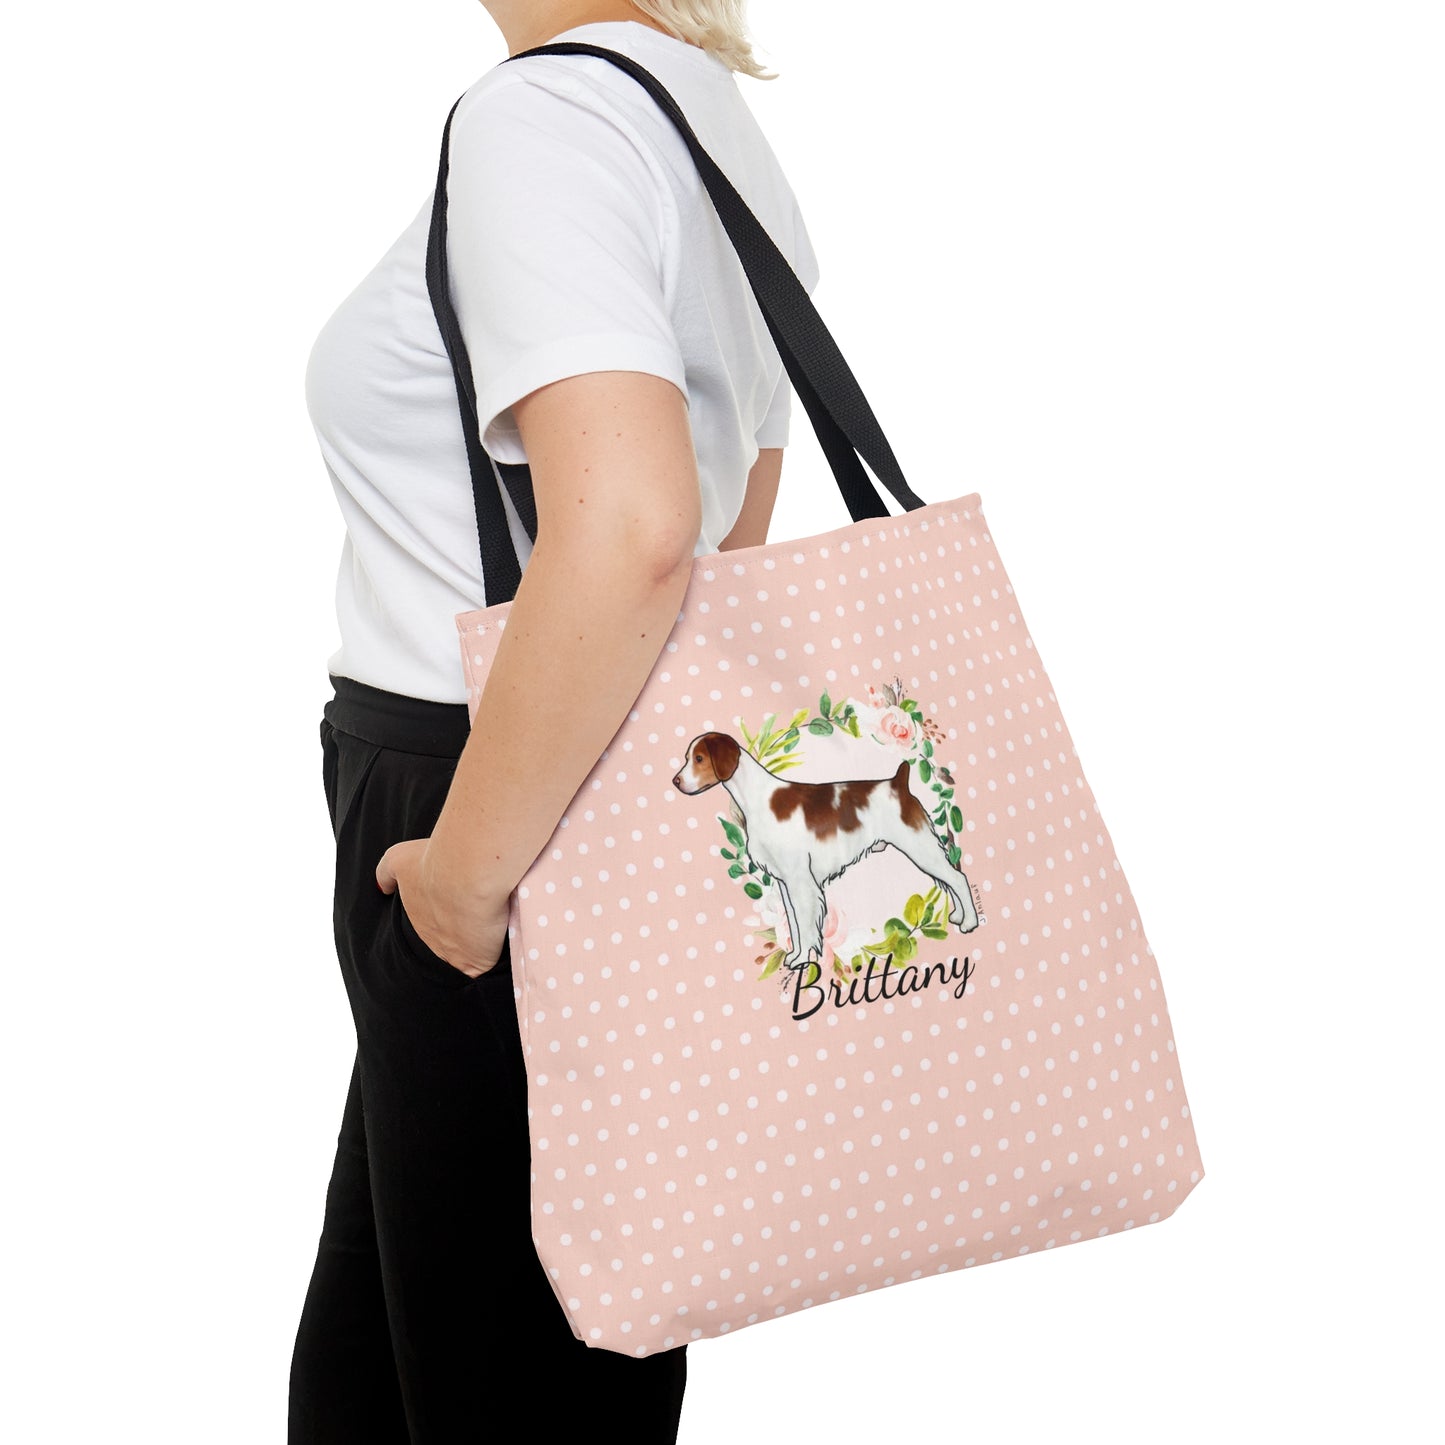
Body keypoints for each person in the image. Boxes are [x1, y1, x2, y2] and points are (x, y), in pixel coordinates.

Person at [287, 2, 821, 1440]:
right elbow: (735, 527)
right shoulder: (698, 111)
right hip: (582, 784)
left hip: (486, 806)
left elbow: (641, 529)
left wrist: (465, 884)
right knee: (410, 1373)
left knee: (496, 1389)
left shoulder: (546, 120)